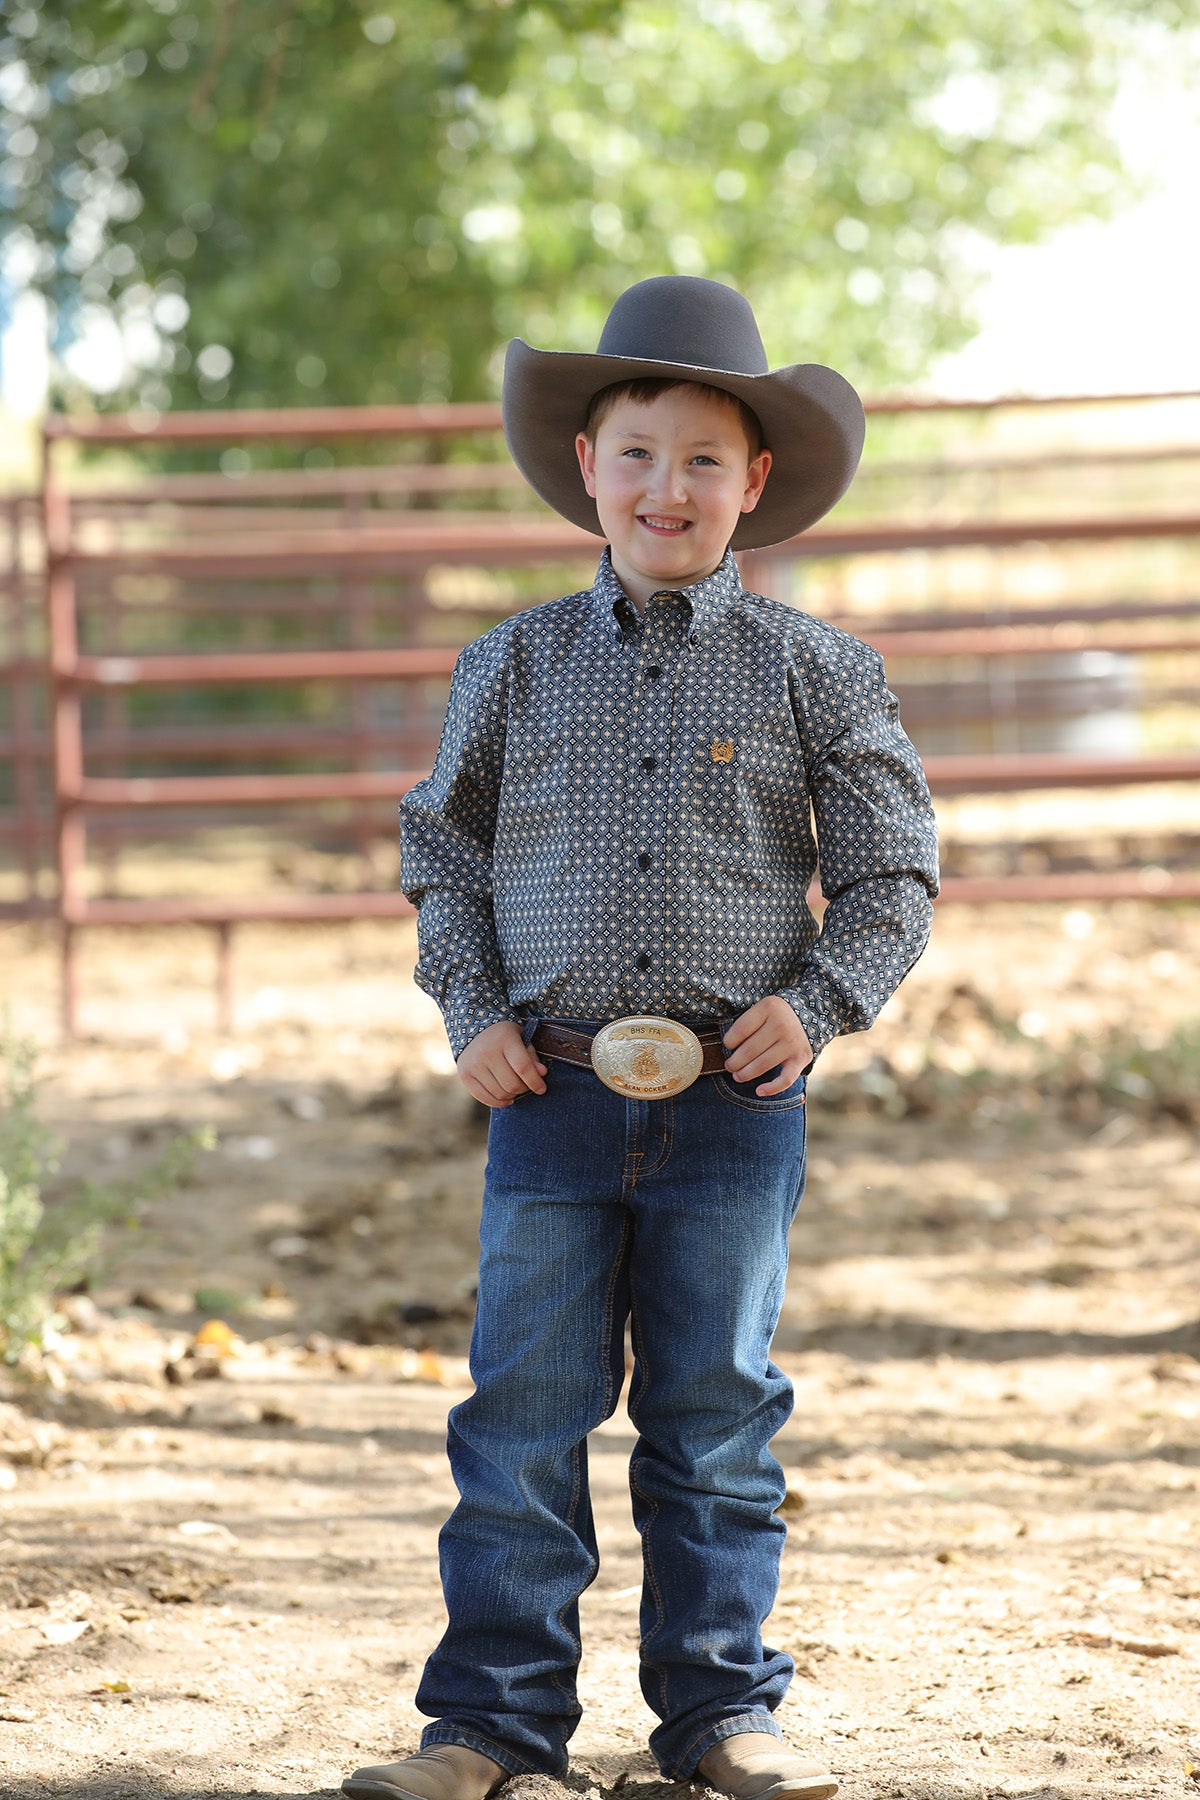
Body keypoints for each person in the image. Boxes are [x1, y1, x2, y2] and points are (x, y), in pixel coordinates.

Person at [343, 276, 939, 1800]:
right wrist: (470, 1010)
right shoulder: (514, 663)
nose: (665, 486)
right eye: (635, 452)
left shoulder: (822, 672)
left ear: (754, 484)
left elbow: (891, 873)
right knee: (523, 1414)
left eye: (701, 460)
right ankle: (488, 1724)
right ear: (587, 470)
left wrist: (815, 1007)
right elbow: (445, 852)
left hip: (738, 1100)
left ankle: (720, 1713)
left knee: (716, 1415)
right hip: (547, 1082)